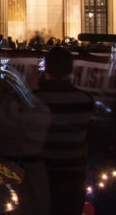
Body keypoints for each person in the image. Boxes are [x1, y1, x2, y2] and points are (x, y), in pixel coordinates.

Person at [35, 47, 93, 215]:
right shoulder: (85, 100)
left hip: (43, 170)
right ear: (71, 69)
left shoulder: (35, 98)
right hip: (74, 171)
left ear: (46, 68)